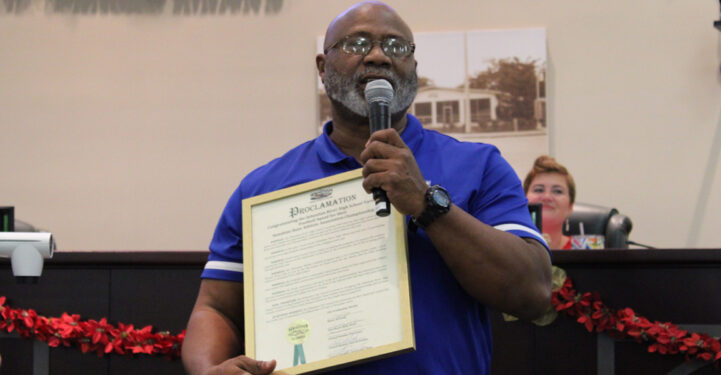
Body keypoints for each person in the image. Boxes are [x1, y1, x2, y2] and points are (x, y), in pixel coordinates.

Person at [181, 2, 552, 374]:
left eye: (396, 47)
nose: (378, 56)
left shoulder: (480, 166)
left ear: (414, 69)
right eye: (357, 44)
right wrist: (207, 369)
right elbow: (216, 307)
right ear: (323, 69)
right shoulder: (262, 188)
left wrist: (428, 205)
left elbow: (532, 293)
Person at [523, 155, 576, 250]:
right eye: (539, 190)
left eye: (557, 191)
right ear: (524, 199)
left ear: (570, 206)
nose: (547, 197)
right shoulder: (512, 248)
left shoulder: (585, 249)